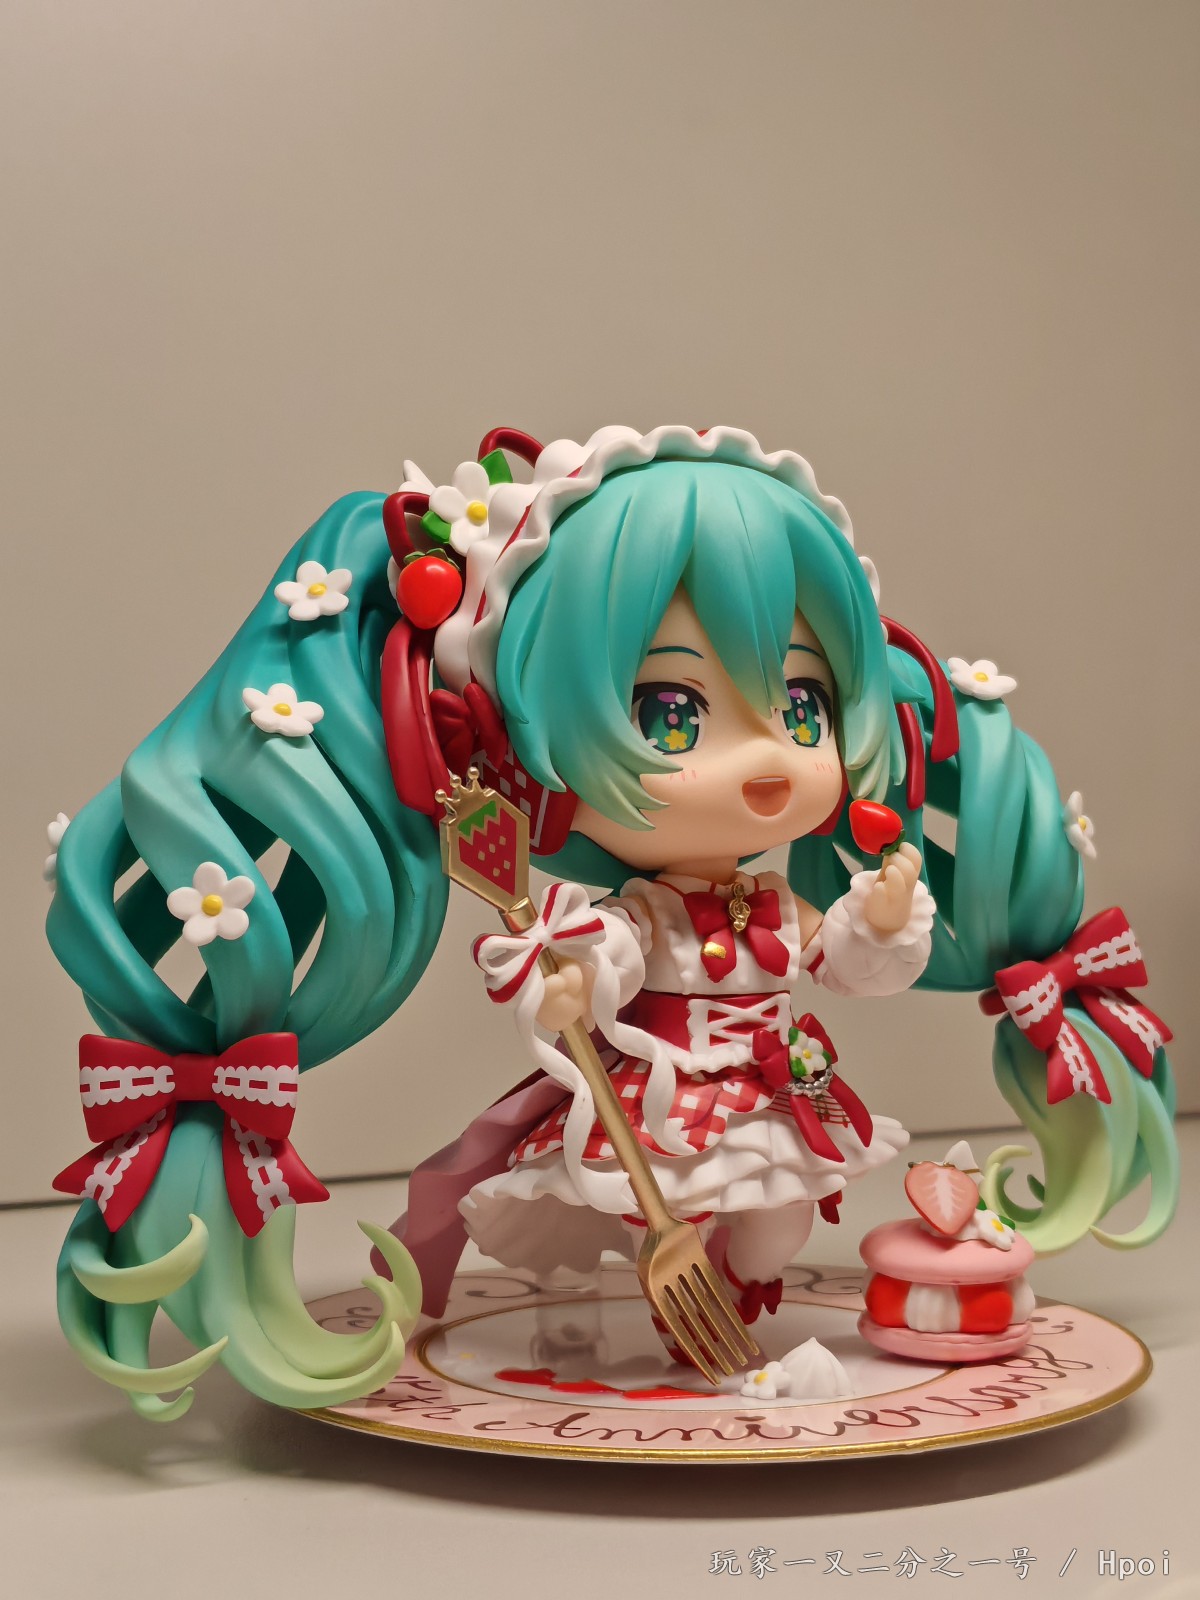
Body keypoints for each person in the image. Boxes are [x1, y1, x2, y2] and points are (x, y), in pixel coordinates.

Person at [45, 425, 1178, 1414]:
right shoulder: (642, 908)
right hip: (665, 1095)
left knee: (779, 1219)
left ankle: (732, 1306)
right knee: (638, 1210)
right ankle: (659, 1320)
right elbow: (604, 965)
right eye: (671, 712)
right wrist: (575, 982)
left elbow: (846, 966)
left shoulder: (777, 901)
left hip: (778, 1091)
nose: (768, 759)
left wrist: (880, 921)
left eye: (801, 705)